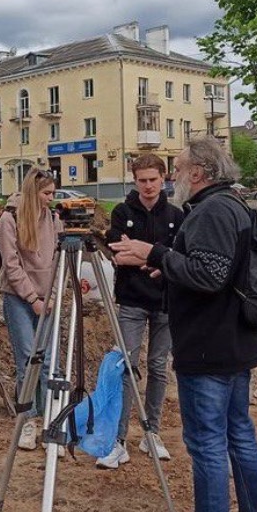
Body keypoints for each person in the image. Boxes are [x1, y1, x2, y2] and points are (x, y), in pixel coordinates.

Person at [111, 136, 257, 512]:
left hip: (210, 345)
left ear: (199, 172)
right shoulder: (232, 205)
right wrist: (166, 265)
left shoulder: (212, 210)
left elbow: (210, 275)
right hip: (231, 342)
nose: (174, 178)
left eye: (179, 168)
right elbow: (212, 268)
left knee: (208, 445)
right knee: (238, 436)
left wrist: (156, 253)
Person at [97, 153, 183, 469]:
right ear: (134, 181)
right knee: (126, 368)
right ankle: (119, 440)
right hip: (132, 300)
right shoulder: (122, 212)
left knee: (159, 366)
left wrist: (145, 253)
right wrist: (158, 256)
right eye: (142, 180)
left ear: (164, 179)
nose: (147, 186)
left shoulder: (176, 215)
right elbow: (119, 256)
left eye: (153, 179)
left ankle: (152, 432)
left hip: (165, 302)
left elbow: (178, 256)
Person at [0, 167, 61, 451]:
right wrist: (32, 298)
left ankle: (50, 421)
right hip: (19, 298)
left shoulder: (53, 219)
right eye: (47, 193)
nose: (51, 199)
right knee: (26, 360)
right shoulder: (9, 220)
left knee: (47, 361)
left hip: (45, 298)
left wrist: (52, 294)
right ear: (34, 193)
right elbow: (11, 265)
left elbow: (57, 258)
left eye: (53, 193)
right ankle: (28, 420)